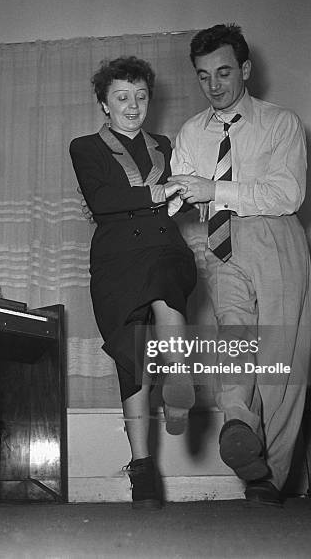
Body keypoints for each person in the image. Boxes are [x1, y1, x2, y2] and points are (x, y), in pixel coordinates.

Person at [168, 24, 311, 506]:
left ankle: (272, 476)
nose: (214, 85)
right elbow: (180, 196)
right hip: (220, 244)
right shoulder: (190, 131)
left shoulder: (280, 122)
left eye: (224, 72)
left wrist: (214, 190)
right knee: (233, 343)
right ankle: (238, 429)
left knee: (279, 362)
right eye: (204, 75)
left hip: (275, 238)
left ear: (245, 70)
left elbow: (286, 193)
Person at [70, 56, 197, 509]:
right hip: (116, 260)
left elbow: (184, 200)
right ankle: (142, 466)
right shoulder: (85, 147)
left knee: (166, 283)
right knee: (133, 358)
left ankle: (180, 374)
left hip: (163, 247)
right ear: (103, 103)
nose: (133, 105)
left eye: (141, 96)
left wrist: (184, 197)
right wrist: (156, 193)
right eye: (122, 97)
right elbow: (102, 200)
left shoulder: (165, 144)